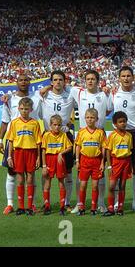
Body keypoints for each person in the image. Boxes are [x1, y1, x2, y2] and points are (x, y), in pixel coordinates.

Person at [69, 70, 113, 214]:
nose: (90, 81)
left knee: (100, 173)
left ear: (98, 81)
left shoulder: (103, 95)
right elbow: (59, 85)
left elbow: (108, 111)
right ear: (84, 80)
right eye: (88, 79)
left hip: (99, 135)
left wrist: (107, 91)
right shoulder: (79, 92)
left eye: (93, 79)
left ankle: (100, 203)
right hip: (83, 135)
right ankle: (79, 203)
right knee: (80, 174)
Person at [0, 73, 41, 215]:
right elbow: (5, 121)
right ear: (17, 82)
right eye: (21, 80)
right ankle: (10, 204)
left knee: (31, 175)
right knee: (12, 172)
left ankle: (32, 204)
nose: (23, 82)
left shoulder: (36, 97)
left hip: (30, 143)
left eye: (26, 80)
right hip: (14, 142)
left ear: (30, 82)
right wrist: (0, 140)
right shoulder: (9, 99)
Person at [37, 70, 75, 212]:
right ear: (51, 82)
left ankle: (66, 202)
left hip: (65, 136)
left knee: (68, 170)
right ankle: (46, 202)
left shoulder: (70, 94)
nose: (58, 82)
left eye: (61, 79)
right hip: (48, 135)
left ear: (65, 82)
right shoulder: (44, 95)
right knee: (46, 173)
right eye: (55, 79)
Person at [112, 66, 135, 214]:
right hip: (119, 136)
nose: (126, 78)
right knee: (118, 171)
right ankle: (116, 203)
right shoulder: (113, 93)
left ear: (133, 77)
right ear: (119, 78)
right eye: (123, 76)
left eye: (128, 76)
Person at [5, 97, 42, 216]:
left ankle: (30, 206)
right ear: (19, 109)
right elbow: (10, 140)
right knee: (20, 179)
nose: (24, 111)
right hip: (19, 152)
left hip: (31, 152)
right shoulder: (14, 123)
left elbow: (38, 142)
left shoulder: (35, 123)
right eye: (21, 109)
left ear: (31, 109)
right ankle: (21, 207)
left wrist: (38, 157)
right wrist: (9, 157)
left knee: (30, 178)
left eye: (26, 109)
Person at [75, 108, 106, 216]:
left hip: (96, 161)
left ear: (97, 119)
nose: (90, 120)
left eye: (92, 118)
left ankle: (93, 207)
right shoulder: (81, 132)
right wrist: (77, 160)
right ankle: (81, 207)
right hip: (84, 161)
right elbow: (78, 146)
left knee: (95, 185)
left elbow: (103, 148)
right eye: (87, 117)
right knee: (82, 185)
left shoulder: (100, 132)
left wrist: (102, 162)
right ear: (84, 119)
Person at [41, 114, 73, 215]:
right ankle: (47, 206)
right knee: (47, 182)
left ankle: (62, 207)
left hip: (60, 159)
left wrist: (61, 153)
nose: (57, 127)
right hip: (49, 159)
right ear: (50, 125)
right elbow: (43, 151)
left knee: (61, 182)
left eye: (59, 125)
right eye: (54, 125)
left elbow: (70, 147)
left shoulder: (63, 135)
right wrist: (44, 166)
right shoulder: (46, 135)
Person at [103, 111, 133, 217]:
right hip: (115, 162)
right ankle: (110, 208)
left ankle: (120, 208)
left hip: (126, 162)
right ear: (115, 124)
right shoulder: (112, 135)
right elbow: (108, 151)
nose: (123, 124)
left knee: (122, 185)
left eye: (124, 121)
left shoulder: (129, 136)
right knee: (111, 186)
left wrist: (130, 166)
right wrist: (109, 165)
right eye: (120, 122)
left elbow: (130, 150)